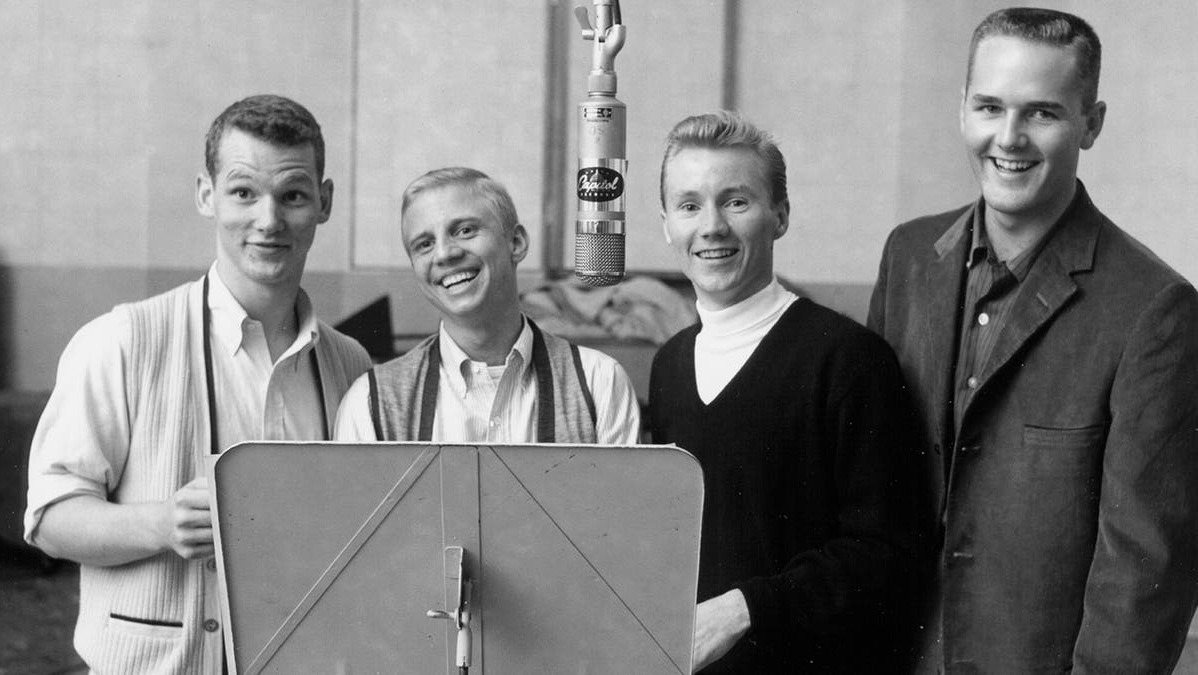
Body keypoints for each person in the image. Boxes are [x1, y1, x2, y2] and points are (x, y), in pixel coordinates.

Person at [868, 8, 1198, 673]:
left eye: (1042, 113)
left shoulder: (1155, 310)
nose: (1008, 138)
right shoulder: (907, 256)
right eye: (989, 106)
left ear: (1092, 123)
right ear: (963, 109)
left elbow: (1143, 578)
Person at [23, 94, 372, 674]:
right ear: (206, 196)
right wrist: (159, 523)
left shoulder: (351, 366)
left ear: (324, 202)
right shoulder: (122, 340)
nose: (269, 219)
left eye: (292, 195)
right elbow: (49, 518)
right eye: (243, 192)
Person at [650, 111, 921, 673]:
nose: (712, 226)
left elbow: (887, 555)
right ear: (666, 225)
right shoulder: (669, 364)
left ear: (781, 216)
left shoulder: (848, 358)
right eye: (690, 204)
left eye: (737, 201)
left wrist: (744, 609)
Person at [334, 167, 640, 445]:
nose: (443, 254)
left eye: (465, 230)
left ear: (516, 243)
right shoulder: (370, 403)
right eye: (424, 244)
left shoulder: (600, 383)